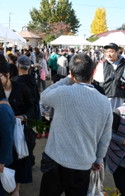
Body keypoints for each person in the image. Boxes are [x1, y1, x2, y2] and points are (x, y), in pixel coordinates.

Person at [39, 53, 113, 196]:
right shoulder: (104, 102)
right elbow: (105, 136)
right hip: (84, 163)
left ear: (71, 73)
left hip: (55, 160)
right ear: (93, 73)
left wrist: (67, 79)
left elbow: (44, 95)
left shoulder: (62, 92)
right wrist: (99, 158)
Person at [0, 61, 35, 196]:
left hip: (20, 131)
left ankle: (16, 189)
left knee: (20, 160)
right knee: (6, 158)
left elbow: (32, 106)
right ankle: (6, 185)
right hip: (3, 132)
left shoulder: (21, 88)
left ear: (8, 75)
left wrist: (24, 117)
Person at [93, 43, 125, 110]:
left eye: (111, 51)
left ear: (117, 52)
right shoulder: (101, 64)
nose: (108, 54)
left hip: (120, 97)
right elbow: (96, 82)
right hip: (104, 97)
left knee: (118, 117)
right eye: (106, 52)